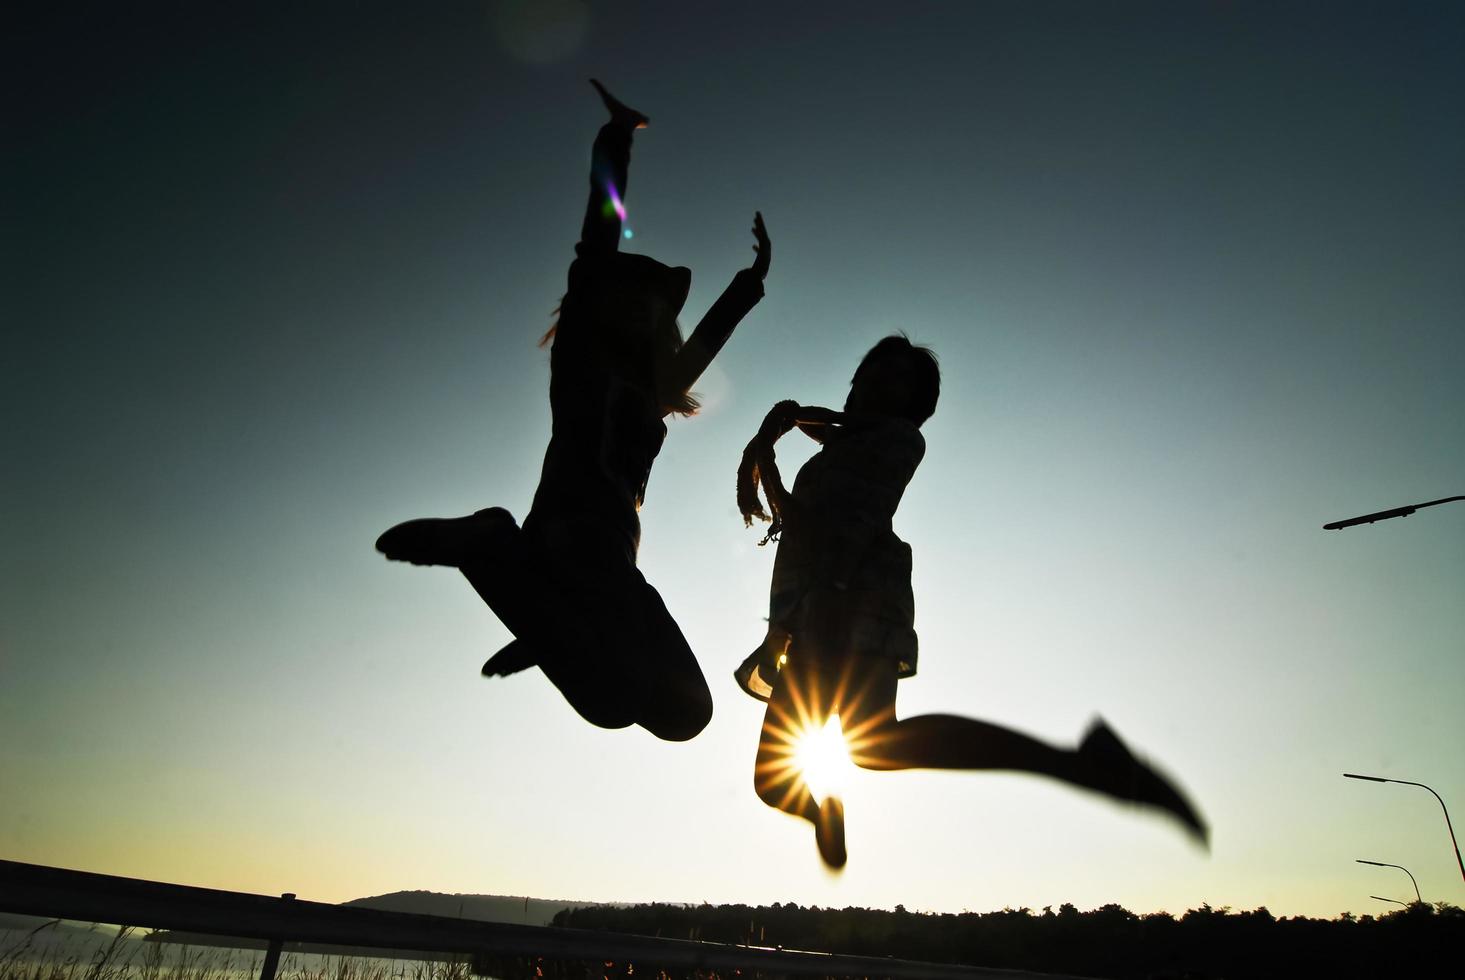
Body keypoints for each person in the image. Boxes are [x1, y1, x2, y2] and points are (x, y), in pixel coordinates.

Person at [378, 80, 770, 742]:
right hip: (573, 538)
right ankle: (494, 548)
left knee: (675, 710)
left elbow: (706, 339)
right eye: (637, 295)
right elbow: (599, 235)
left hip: (613, 564)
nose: (649, 309)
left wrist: (751, 283)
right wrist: (616, 139)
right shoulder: (585, 353)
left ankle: (543, 617)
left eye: (655, 306)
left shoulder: (652, 388)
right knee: (635, 708)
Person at [736, 336, 1206, 868]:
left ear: (915, 407)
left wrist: (774, 451)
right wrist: (790, 426)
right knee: (773, 780)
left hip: (855, 600)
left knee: (875, 743)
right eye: (867, 377)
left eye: (890, 382)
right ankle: (825, 813)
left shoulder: (897, 442)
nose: (871, 388)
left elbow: (822, 520)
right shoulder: (844, 447)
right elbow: (834, 441)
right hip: (809, 615)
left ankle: (1068, 758)